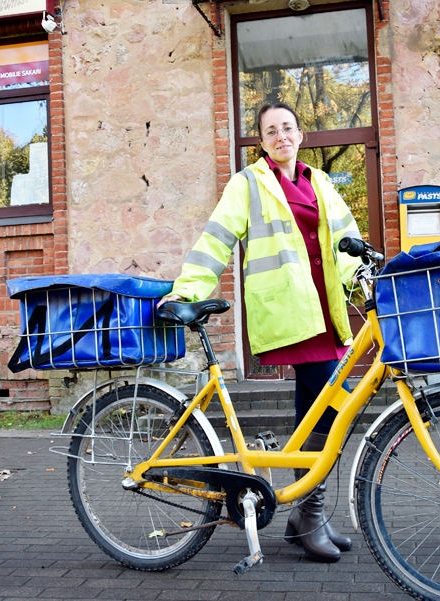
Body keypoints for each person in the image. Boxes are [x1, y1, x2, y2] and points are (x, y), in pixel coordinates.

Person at [160, 102, 363, 563]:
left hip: (326, 313)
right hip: (290, 313)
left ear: (301, 134)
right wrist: (186, 289)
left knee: (315, 413)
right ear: (261, 140)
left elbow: (346, 241)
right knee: (338, 402)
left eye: (288, 128)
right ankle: (308, 514)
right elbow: (216, 239)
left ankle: (304, 515)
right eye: (271, 130)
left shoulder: (321, 182)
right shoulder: (248, 183)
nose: (281, 136)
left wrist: (366, 280)